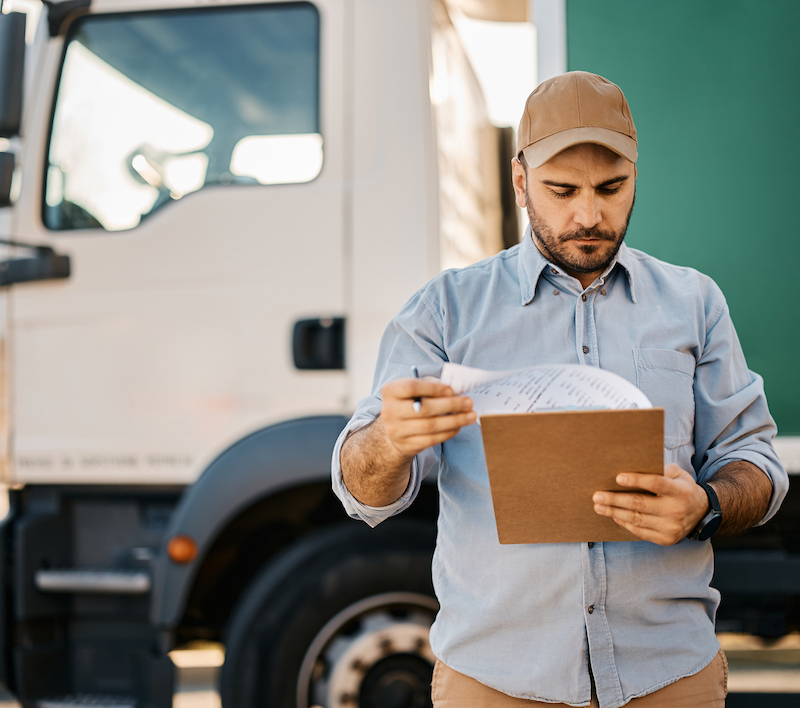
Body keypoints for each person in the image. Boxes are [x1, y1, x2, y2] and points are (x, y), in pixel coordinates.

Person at [331, 71, 788, 708]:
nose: (589, 215)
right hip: (496, 682)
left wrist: (705, 504)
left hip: (667, 677)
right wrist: (389, 440)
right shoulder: (444, 312)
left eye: (611, 188)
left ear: (635, 179)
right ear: (521, 183)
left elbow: (756, 464)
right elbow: (362, 496)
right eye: (562, 190)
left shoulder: (695, 303)